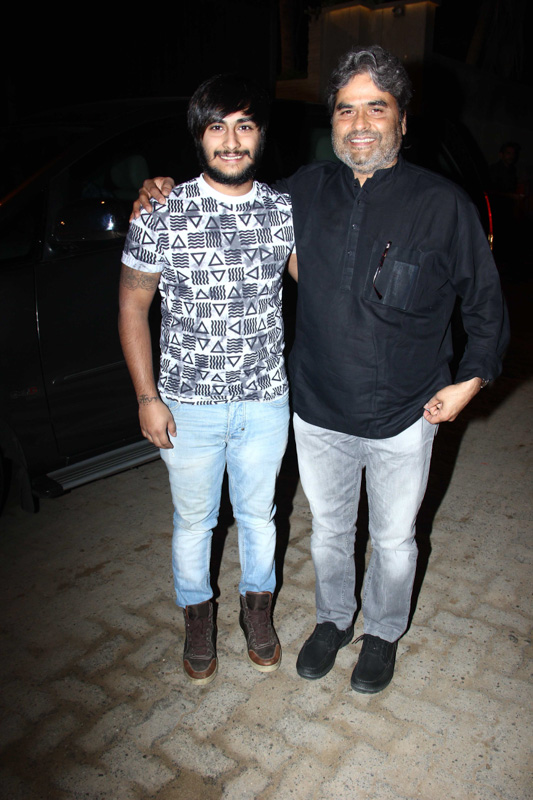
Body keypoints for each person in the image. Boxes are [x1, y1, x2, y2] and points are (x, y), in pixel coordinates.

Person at [133, 46, 509, 694]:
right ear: (332, 120)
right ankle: (333, 620)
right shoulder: (300, 194)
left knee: (393, 540)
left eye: (375, 108)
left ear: (402, 120)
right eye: (345, 109)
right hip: (317, 410)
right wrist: (158, 187)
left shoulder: (443, 205)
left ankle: (382, 632)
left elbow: (486, 305)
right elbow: (231, 190)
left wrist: (468, 383)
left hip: (405, 413)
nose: (359, 123)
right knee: (330, 531)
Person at [119, 74, 296, 685]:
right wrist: (147, 398)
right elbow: (132, 307)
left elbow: (324, 281)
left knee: (260, 516)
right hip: (186, 405)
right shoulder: (161, 211)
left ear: (261, 135)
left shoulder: (282, 211)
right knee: (195, 521)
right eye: (218, 126)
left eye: (245, 126)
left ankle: (257, 611)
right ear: (200, 136)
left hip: (265, 399)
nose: (231, 140)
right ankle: (198, 618)